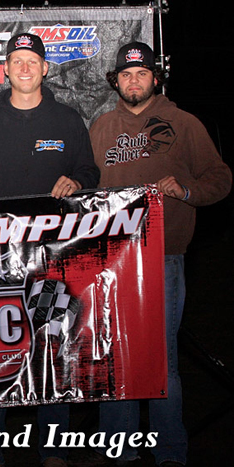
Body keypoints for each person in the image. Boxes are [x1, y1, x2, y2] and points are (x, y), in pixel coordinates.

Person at [0, 33, 100, 467]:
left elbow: (89, 170)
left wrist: (78, 181)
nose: (24, 67)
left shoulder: (67, 120)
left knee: (53, 349)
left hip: (53, 257)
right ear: (5, 69)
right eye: (16, 60)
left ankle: (54, 447)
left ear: (44, 68)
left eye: (32, 61)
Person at [89, 42, 231, 467]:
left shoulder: (184, 123)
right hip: (113, 261)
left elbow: (220, 178)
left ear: (155, 78)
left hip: (164, 257)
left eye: (142, 73)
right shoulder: (101, 127)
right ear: (116, 81)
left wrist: (186, 191)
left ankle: (170, 452)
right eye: (126, 74)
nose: (134, 81)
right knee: (115, 356)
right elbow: (87, 186)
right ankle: (120, 451)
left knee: (161, 359)